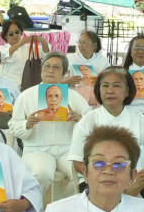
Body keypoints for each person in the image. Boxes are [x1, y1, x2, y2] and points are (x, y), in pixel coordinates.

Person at [9, 53, 88, 190]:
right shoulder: (26, 95)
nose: (51, 70)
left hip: (68, 149)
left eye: (56, 67)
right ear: (41, 70)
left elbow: (91, 123)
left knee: (83, 174)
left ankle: (63, 207)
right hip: (36, 149)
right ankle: (36, 210)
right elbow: (13, 126)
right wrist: (26, 124)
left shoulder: (74, 97)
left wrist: (80, 119)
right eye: (47, 66)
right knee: (41, 173)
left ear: (64, 73)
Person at [69, 67, 144, 168]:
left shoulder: (140, 120)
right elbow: (77, 162)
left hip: (133, 180)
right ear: (98, 90)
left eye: (116, 86)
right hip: (97, 180)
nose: (110, 91)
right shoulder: (87, 121)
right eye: (105, 86)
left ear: (127, 92)